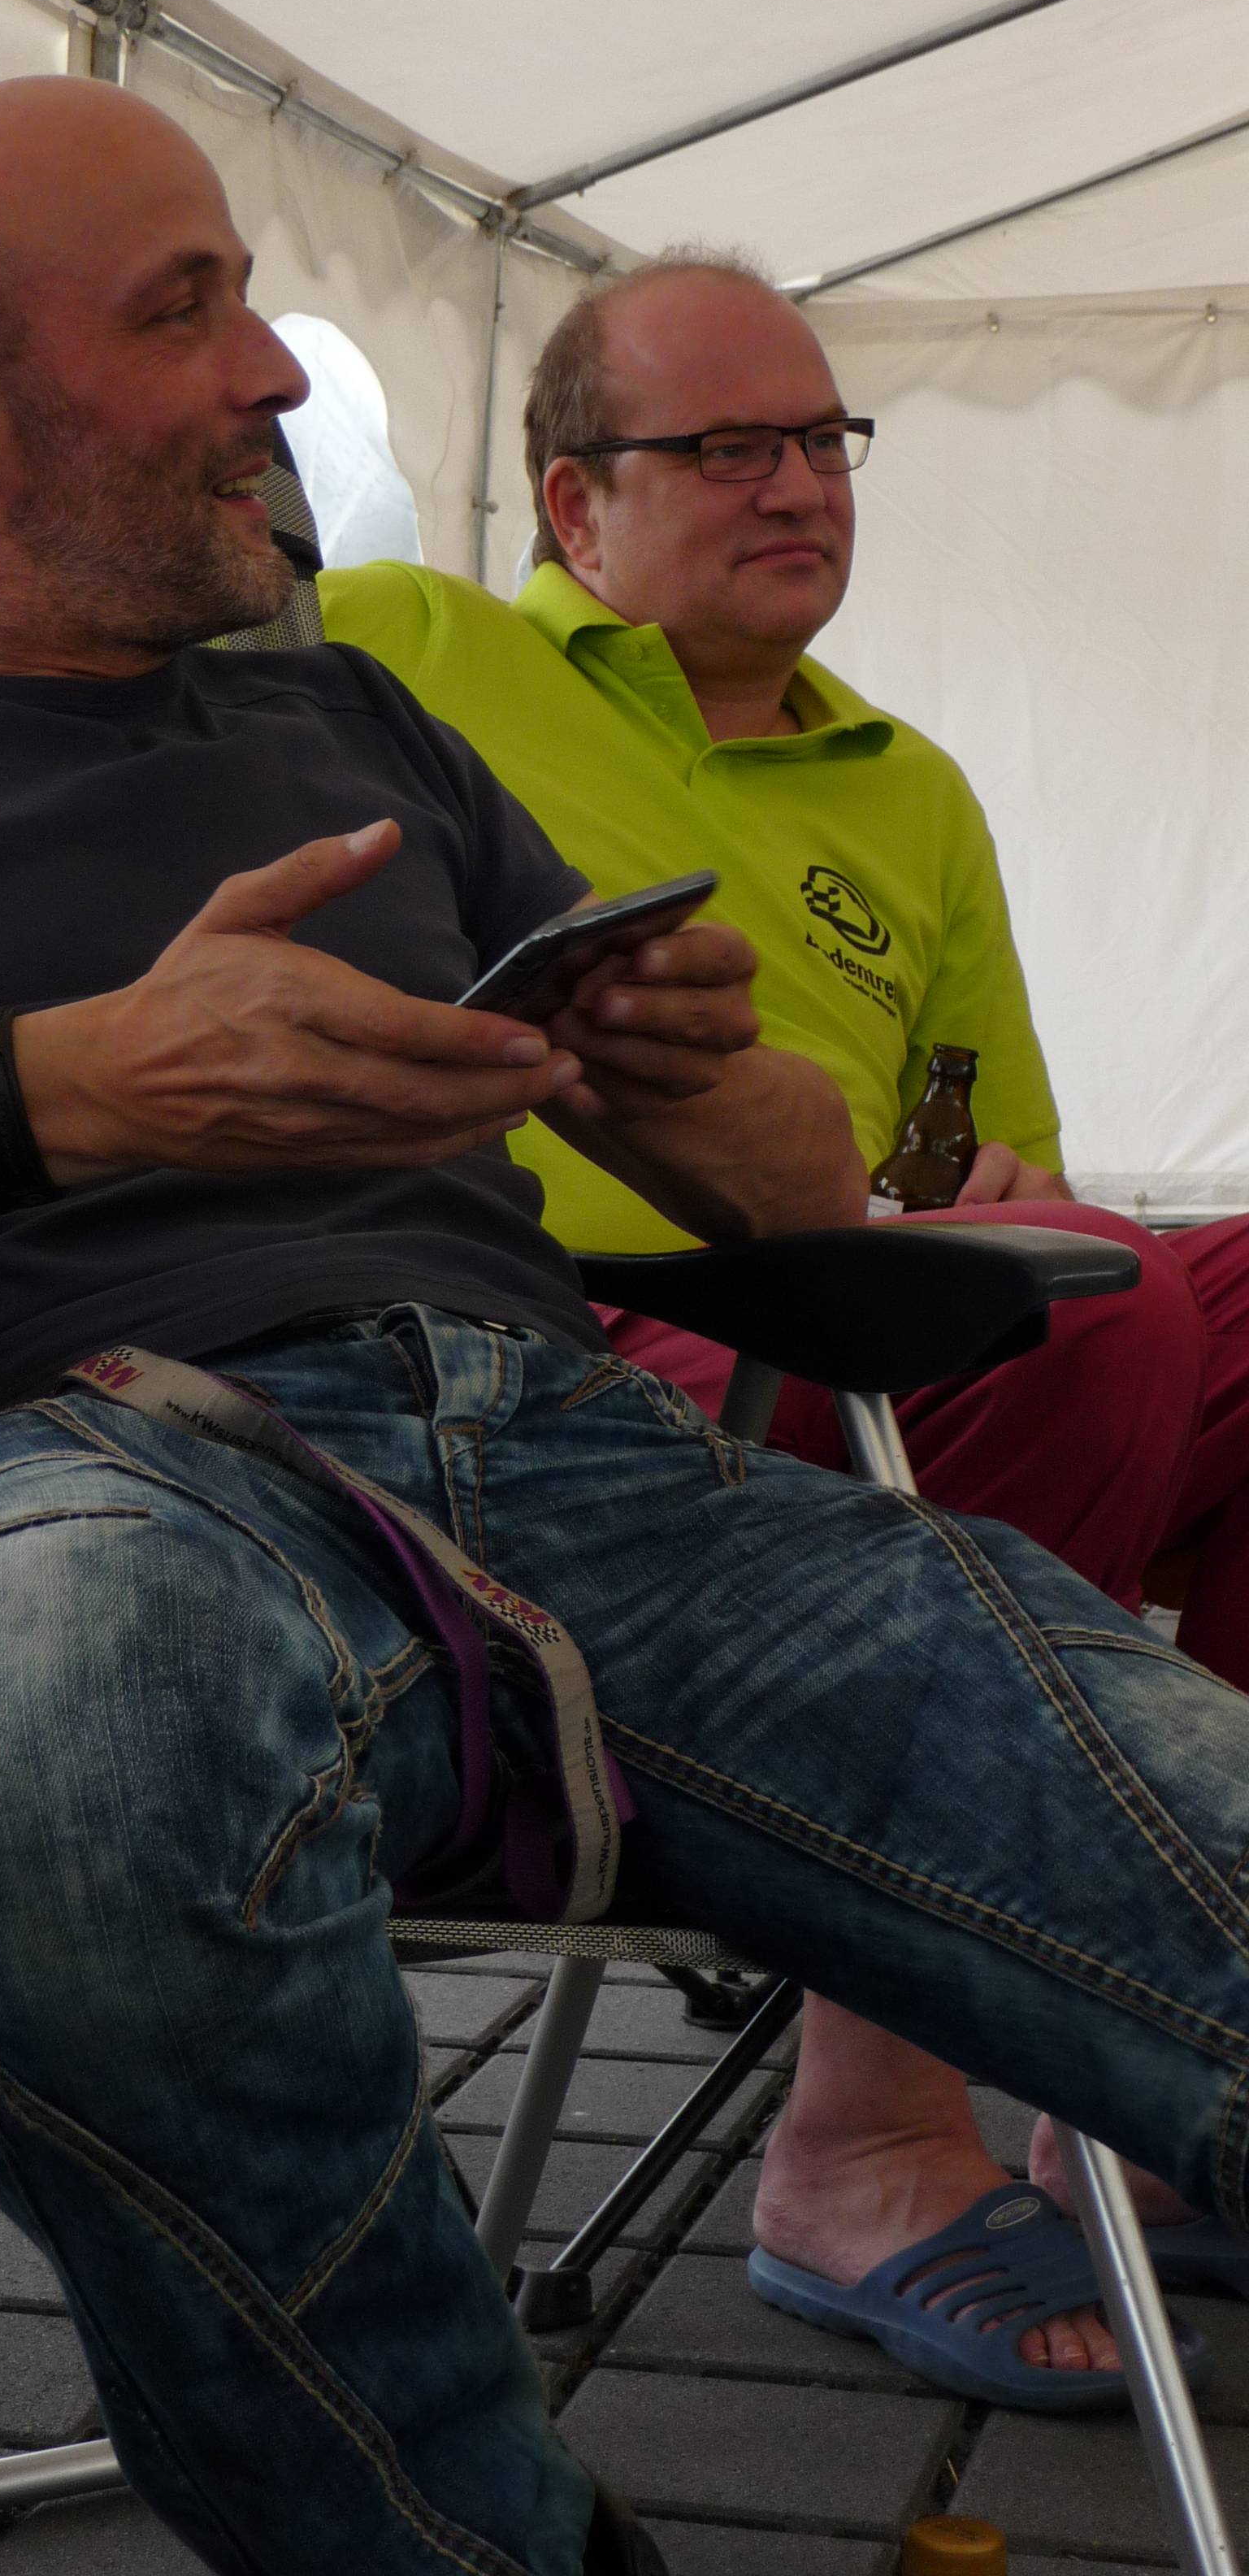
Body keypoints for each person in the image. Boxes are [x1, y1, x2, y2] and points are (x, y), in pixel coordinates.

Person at [0, 85, 1249, 2574]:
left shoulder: (361, 735)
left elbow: (797, 1191)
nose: (271, 371)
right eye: (188, 311)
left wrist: (678, 1063)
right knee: (64, 1777)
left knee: (1187, 1826)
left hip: (584, 1462)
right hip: (74, 1462)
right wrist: (61, 1086)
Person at [319, 252, 1249, 2400]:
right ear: (573, 504)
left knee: (1096, 1292)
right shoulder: (408, 643)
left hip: (838, 1308)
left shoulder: (908, 788)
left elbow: (966, 1144)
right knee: (1071, 1330)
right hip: (543, 1345)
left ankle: (1159, 2081)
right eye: (729, 446)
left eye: (825, 440)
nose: (801, 484)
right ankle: (865, 2139)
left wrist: (975, 1185)